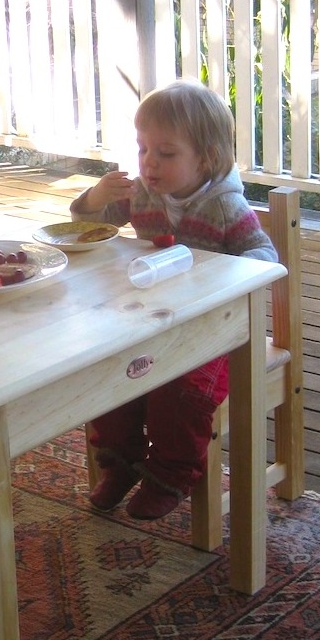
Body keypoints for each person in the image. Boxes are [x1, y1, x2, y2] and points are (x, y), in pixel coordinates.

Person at [70, 78, 277, 520]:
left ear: (207, 159)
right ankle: (121, 463)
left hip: (215, 331)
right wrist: (95, 196)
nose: (149, 163)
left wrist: (215, 276)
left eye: (166, 153)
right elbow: (87, 223)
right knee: (110, 376)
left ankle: (170, 475)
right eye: (143, 149)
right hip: (152, 319)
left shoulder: (225, 208)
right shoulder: (142, 194)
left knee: (178, 390)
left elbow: (264, 257)